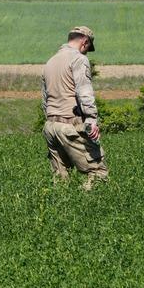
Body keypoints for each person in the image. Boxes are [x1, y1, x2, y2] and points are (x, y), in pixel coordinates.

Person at [41, 26, 107, 190]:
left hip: (50, 127)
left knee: (60, 180)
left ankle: (59, 212)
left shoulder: (50, 61)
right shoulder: (78, 59)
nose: (86, 52)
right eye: (88, 48)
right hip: (70, 126)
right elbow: (84, 91)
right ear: (85, 41)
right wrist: (91, 119)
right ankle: (90, 211)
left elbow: (45, 99)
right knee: (98, 172)